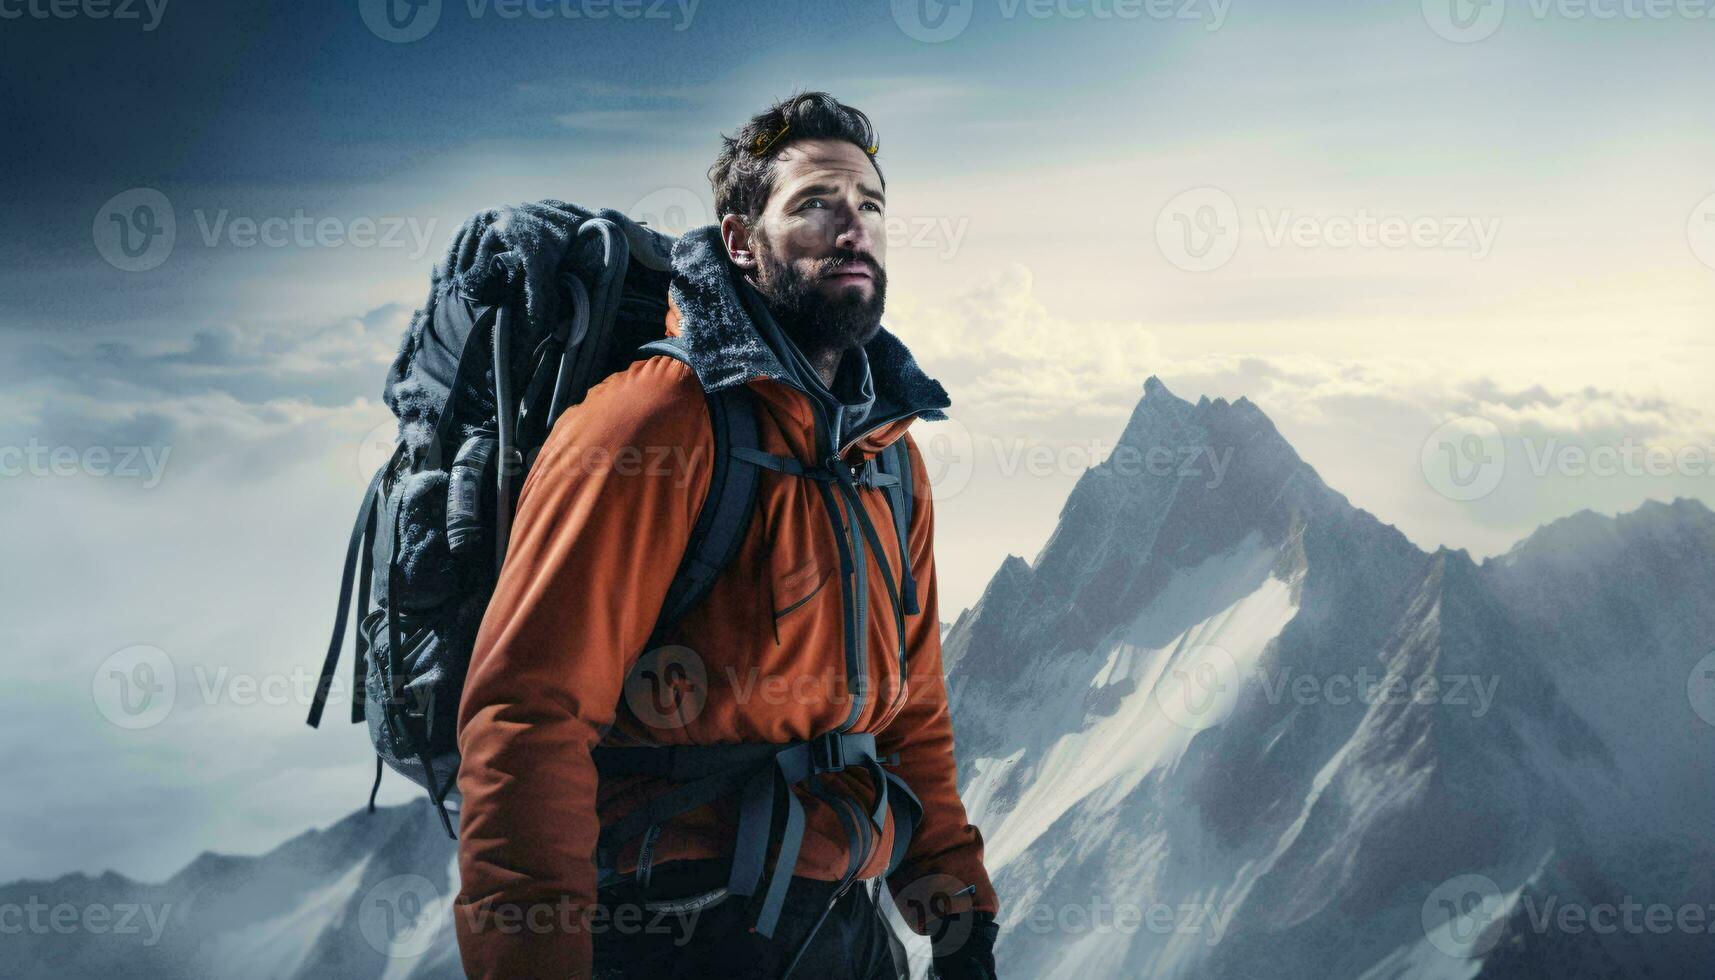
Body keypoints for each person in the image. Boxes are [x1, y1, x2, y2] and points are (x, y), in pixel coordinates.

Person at [451, 91, 999, 980]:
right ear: (741, 241)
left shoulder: (886, 452)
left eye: (869, 206)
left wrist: (954, 903)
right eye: (815, 203)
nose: (850, 227)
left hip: (838, 925)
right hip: (677, 929)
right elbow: (528, 715)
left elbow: (913, 712)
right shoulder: (651, 425)